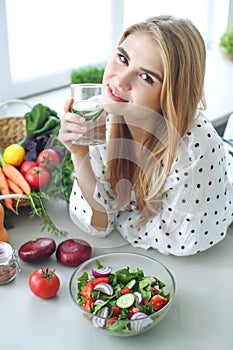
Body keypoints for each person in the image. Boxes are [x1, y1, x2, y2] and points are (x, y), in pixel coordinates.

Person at [58, 15, 233, 256]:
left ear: (172, 92)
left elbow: (184, 241)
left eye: (146, 77)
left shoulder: (194, 148)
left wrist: (118, 218)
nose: (120, 80)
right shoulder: (103, 117)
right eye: (122, 58)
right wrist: (79, 154)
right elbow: (98, 224)